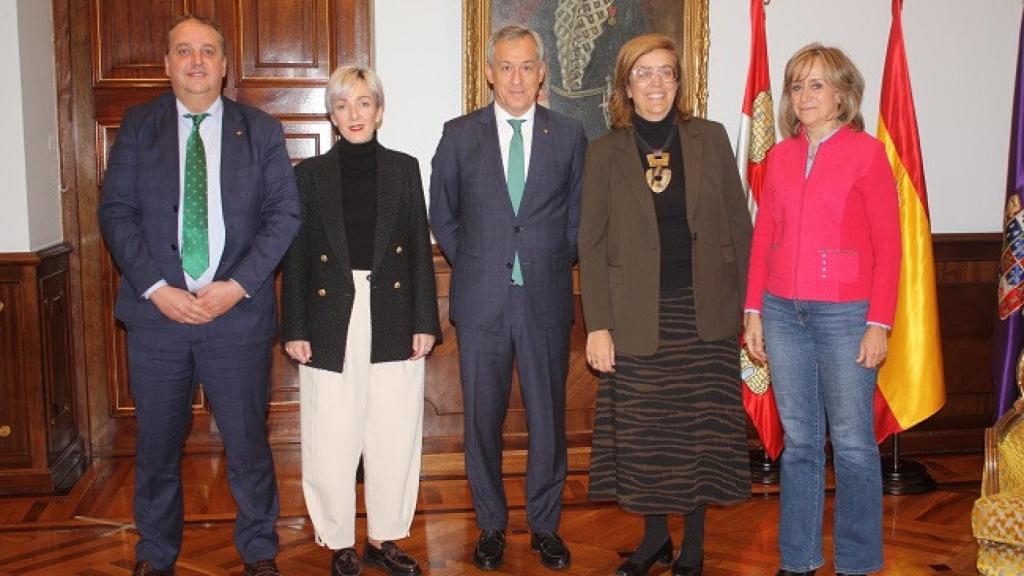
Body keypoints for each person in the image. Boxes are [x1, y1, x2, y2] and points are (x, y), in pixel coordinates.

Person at [97, 14, 300, 576]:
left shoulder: (260, 130)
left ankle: (259, 550)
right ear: (166, 65)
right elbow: (116, 212)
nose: (196, 61)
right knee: (156, 447)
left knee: (248, 446)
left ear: (225, 64)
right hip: (157, 318)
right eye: (183, 51)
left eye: (207, 51)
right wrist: (157, 289)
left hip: (235, 318)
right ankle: (155, 553)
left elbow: (284, 215)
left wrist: (236, 287)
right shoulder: (139, 127)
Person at [578, 34, 752, 576]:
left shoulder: (712, 138)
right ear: (626, 87)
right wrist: (598, 326)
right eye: (644, 74)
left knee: (700, 430)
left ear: (679, 82)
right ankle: (654, 539)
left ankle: (694, 546)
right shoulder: (604, 151)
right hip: (637, 316)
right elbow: (592, 242)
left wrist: (752, 312)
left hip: (705, 313)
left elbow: (739, 228)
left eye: (667, 73)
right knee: (647, 433)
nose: (656, 84)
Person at [429, 24, 587, 572]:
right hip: (481, 301)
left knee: (548, 422)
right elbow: (442, 214)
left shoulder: (568, 135)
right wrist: (475, 259)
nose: (517, 77)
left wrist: (548, 261)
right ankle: (491, 525)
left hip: (544, 297)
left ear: (542, 73)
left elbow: (578, 219)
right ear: (489, 72)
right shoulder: (459, 134)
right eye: (507, 66)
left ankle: (545, 526)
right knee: (481, 421)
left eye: (527, 66)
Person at [742, 43, 901, 576]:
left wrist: (878, 323)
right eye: (796, 85)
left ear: (842, 94)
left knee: (854, 443)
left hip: (846, 316)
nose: (804, 95)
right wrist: (753, 311)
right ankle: (799, 559)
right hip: (782, 313)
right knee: (801, 442)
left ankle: (857, 562)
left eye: (816, 84)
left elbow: (889, 245)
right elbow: (764, 237)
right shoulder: (781, 157)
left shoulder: (867, 153)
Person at [280, 65, 440, 576]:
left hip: (393, 310)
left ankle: (384, 537)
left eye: (364, 102)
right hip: (331, 313)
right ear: (331, 114)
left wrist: (425, 320)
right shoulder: (308, 176)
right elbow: (298, 257)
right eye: (343, 104)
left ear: (380, 111)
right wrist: (296, 327)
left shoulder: (404, 169)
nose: (354, 114)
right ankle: (339, 539)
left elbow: (418, 247)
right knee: (330, 430)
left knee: (394, 429)